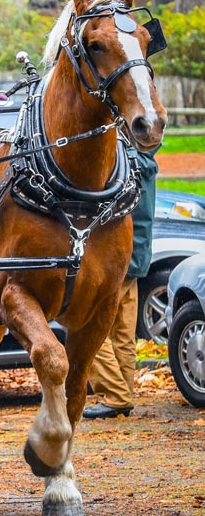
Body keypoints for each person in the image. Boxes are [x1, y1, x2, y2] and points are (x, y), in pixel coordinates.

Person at [84, 148, 159, 419]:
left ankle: (115, 395)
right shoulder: (146, 163)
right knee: (123, 333)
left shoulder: (125, 164)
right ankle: (123, 393)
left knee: (89, 327)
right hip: (137, 259)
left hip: (118, 260)